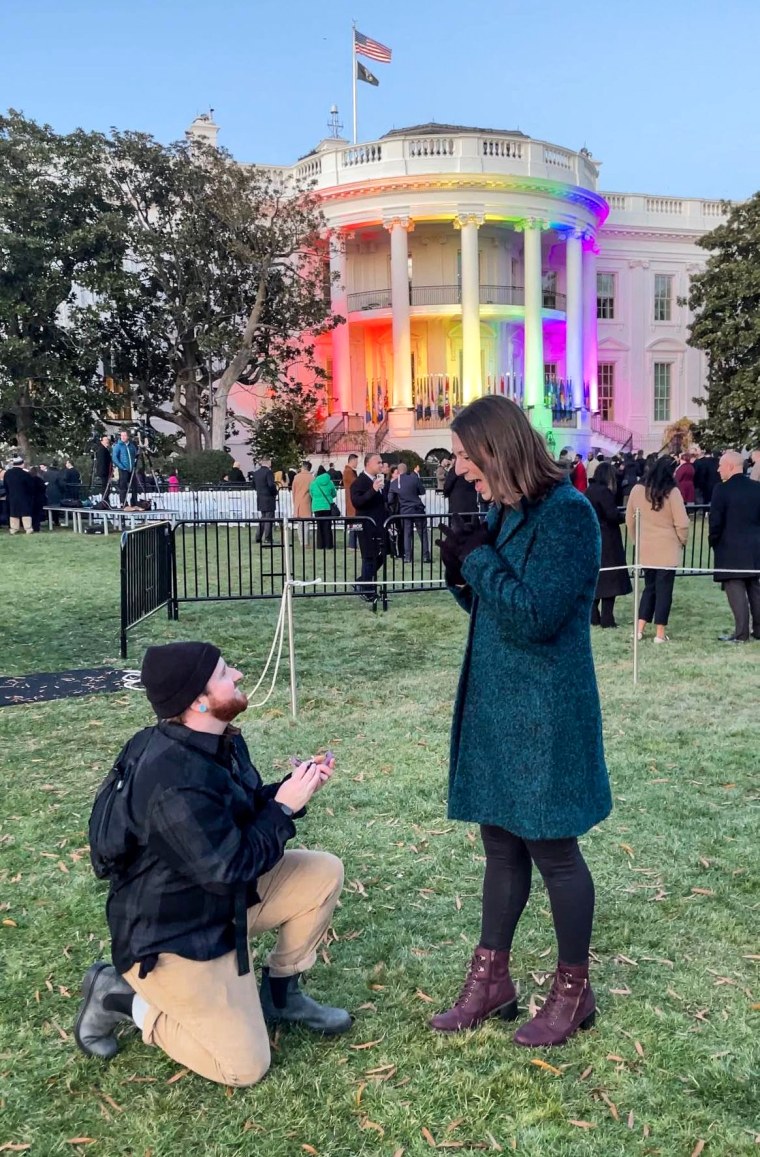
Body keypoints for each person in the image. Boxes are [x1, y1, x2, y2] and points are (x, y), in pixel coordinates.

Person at [74, 641, 350, 1084]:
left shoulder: (218, 740)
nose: (238, 674)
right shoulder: (172, 779)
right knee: (244, 1066)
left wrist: (290, 792)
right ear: (198, 700)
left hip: (217, 904)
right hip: (173, 936)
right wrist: (281, 811)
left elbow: (236, 819)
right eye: (224, 673)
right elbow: (229, 868)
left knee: (321, 873)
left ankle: (281, 997)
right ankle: (118, 996)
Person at [431, 395, 611, 1047]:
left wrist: (478, 559)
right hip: (499, 707)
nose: (458, 468)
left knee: (553, 850)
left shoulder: (568, 514)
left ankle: (573, 990)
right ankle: (492, 980)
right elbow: (495, 604)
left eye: (462, 453)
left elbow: (536, 616)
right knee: (500, 842)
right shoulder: (507, 506)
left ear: (496, 446)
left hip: (545, 711)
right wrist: (461, 569)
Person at [626, 457, 690, 643]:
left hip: (646, 546)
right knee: (664, 590)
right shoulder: (673, 492)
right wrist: (681, 540)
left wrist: (636, 540)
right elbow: (682, 522)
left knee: (649, 588)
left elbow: (630, 519)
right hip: (667, 547)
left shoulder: (637, 490)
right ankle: (660, 633)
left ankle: (639, 629)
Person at [708, 450, 760, 644]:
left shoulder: (721, 490)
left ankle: (741, 633)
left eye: (721, 465)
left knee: (735, 587)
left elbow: (716, 521)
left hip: (730, 547)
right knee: (754, 586)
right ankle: (758, 630)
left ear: (730, 466)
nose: (719, 469)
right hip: (755, 546)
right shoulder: (757, 488)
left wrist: (713, 540)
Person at [586, 462, 632, 627]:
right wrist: (624, 517)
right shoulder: (604, 492)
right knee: (610, 580)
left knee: (596, 579)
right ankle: (607, 618)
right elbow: (611, 515)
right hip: (607, 540)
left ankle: (593, 616)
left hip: (592, 538)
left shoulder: (589, 491)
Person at [350, 452, 387, 602]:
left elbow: (382, 504)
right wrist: (373, 490)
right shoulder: (359, 482)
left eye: (381, 462)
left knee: (383, 554)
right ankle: (367, 589)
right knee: (369, 556)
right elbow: (357, 502)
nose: (381, 465)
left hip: (379, 524)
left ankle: (362, 581)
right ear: (368, 464)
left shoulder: (379, 480)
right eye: (378, 462)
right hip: (365, 524)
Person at [390, 463, 431, 563]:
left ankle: (408, 557)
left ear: (398, 471)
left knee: (407, 534)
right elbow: (422, 491)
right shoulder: (414, 478)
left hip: (405, 511)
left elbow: (390, 499)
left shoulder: (395, 483)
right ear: (407, 469)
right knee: (423, 533)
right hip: (418, 509)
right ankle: (426, 556)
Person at [443, 461, 479, 532]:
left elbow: (447, 487)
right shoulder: (473, 468)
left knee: (457, 534)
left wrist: (446, 493)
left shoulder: (455, 470)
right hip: (471, 507)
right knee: (471, 534)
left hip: (457, 508)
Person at [4, 456, 35, 534]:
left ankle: (14, 528)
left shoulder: (7, 473)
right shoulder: (25, 474)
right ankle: (28, 528)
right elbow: (31, 486)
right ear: (22, 464)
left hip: (12, 495)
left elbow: (5, 485)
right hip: (24, 496)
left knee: (13, 512)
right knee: (25, 512)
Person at [309, 465, 337, 550]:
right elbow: (334, 493)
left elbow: (311, 494)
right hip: (327, 506)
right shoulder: (330, 482)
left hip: (317, 507)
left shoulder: (313, 483)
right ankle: (329, 545)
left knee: (319, 526)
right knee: (327, 526)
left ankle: (320, 545)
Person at [252, 459, 278, 545]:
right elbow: (271, 484)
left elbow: (253, 485)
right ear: (268, 462)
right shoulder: (268, 472)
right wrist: (275, 492)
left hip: (260, 497)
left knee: (263, 518)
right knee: (269, 518)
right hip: (269, 498)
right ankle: (268, 538)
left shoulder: (256, 473)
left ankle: (258, 536)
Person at [112, 431, 138, 508]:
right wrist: (121, 466)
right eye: (122, 436)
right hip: (123, 469)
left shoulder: (131, 446)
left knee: (134, 486)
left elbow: (135, 455)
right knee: (123, 487)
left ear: (128, 436)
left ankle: (134, 502)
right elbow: (114, 457)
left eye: (125, 435)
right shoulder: (118, 446)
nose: (123, 437)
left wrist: (134, 465)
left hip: (131, 469)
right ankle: (123, 502)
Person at [28, 466, 47, 532]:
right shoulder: (39, 480)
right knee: (37, 514)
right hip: (38, 499)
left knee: (31, 514)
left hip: (29, 498)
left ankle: (29, 526)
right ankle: (36, 527)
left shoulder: (28, 479)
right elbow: (43, 488)